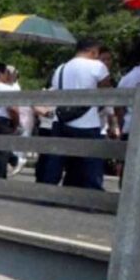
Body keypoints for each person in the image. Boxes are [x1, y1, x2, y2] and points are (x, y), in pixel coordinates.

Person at [36, 39, 113, 190]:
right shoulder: (98, 66)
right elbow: (107, 90)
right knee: (91, 164)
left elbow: (56, 91)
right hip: (87, 122)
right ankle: (91, 198)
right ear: (93, 51)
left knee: (56, 161)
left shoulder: (61, 68)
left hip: (61, 121)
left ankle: (46, 193)